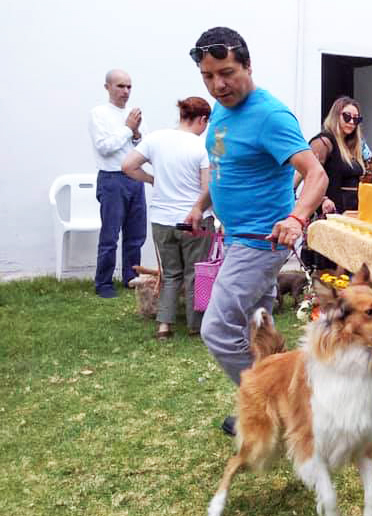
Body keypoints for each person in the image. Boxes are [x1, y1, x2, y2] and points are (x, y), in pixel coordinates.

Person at [182, 27, 328, 435]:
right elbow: (225, 172)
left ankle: (268, 405)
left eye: (227, 72)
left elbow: (315, 175)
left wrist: (297, 217)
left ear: (247, 65)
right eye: (208, 76)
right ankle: (286, 400)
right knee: (256, 330)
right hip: (235, 236)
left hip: (261, 241)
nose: (218, 84)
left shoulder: (270, 115)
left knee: (217, 329)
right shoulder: (223, 113)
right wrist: (200, 206)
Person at [121, 97, 214, 340]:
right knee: (196, 273)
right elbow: (209, 187)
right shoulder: (202, 147)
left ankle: (164, 325)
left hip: (162, 219)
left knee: (170, 273)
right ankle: (197, 325)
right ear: (203, 119)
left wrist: (152, 180)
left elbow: (128, 166)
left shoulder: (155, 139)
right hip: (194, 220)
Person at [88, 69, 147, 298]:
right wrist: (128, 129)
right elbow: (104, 146)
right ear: (107, 87)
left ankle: (131, 278)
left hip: (134, 178)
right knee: (110, 235)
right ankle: (103, 283)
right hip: (112, 179)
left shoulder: (134, 114)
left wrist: (136, 133)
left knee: (136, 234)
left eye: (129, 86)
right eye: (120, 86)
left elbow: (143, 147)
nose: (126, 91)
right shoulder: (99, 113)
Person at [296, 97, 365, 271]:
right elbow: (307, 174)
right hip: (330, 211)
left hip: (350, 213)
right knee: (328, 268)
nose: (352, 122)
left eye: (356, 119)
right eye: (347, 116)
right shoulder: (324, 141)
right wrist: (322, 199)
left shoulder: (351, 145)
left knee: (347, 266)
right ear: (336, 115)